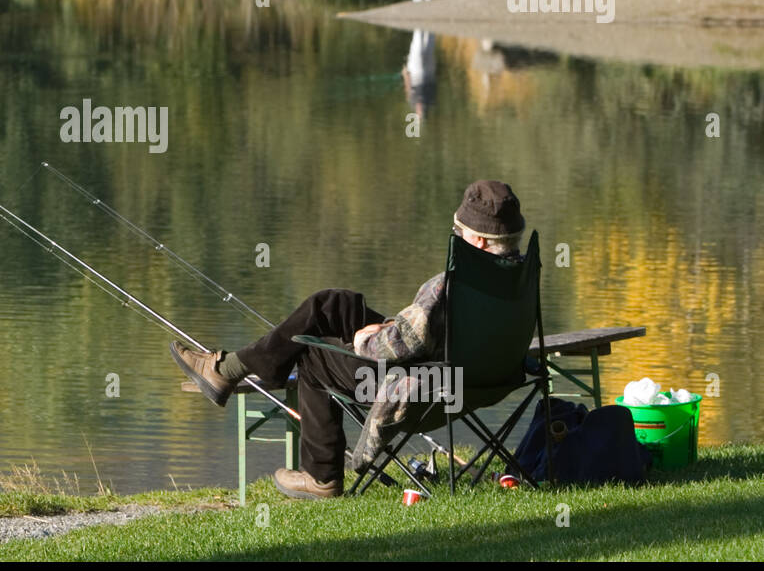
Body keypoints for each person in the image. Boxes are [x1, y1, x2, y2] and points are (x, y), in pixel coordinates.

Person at [172, 180, 526, 499]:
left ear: (478, 240)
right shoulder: (520, 279)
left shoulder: (450, 286)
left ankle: (321, 476)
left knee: (311, 351)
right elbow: (430, 333)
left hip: (423, 386)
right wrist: (388, 327)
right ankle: (229, 368)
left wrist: (363, 341)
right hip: (474, 379)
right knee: (332, 303)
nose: (456, 236)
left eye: (458, 230)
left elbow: (401, 344)